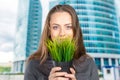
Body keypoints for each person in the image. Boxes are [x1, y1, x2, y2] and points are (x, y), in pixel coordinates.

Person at [24, 4, 99, 80]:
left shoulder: (88, 63)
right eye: (55, 27)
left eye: (68, 27)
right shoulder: (34, 65)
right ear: (49, 30)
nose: (62, 33)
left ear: (75, 30)